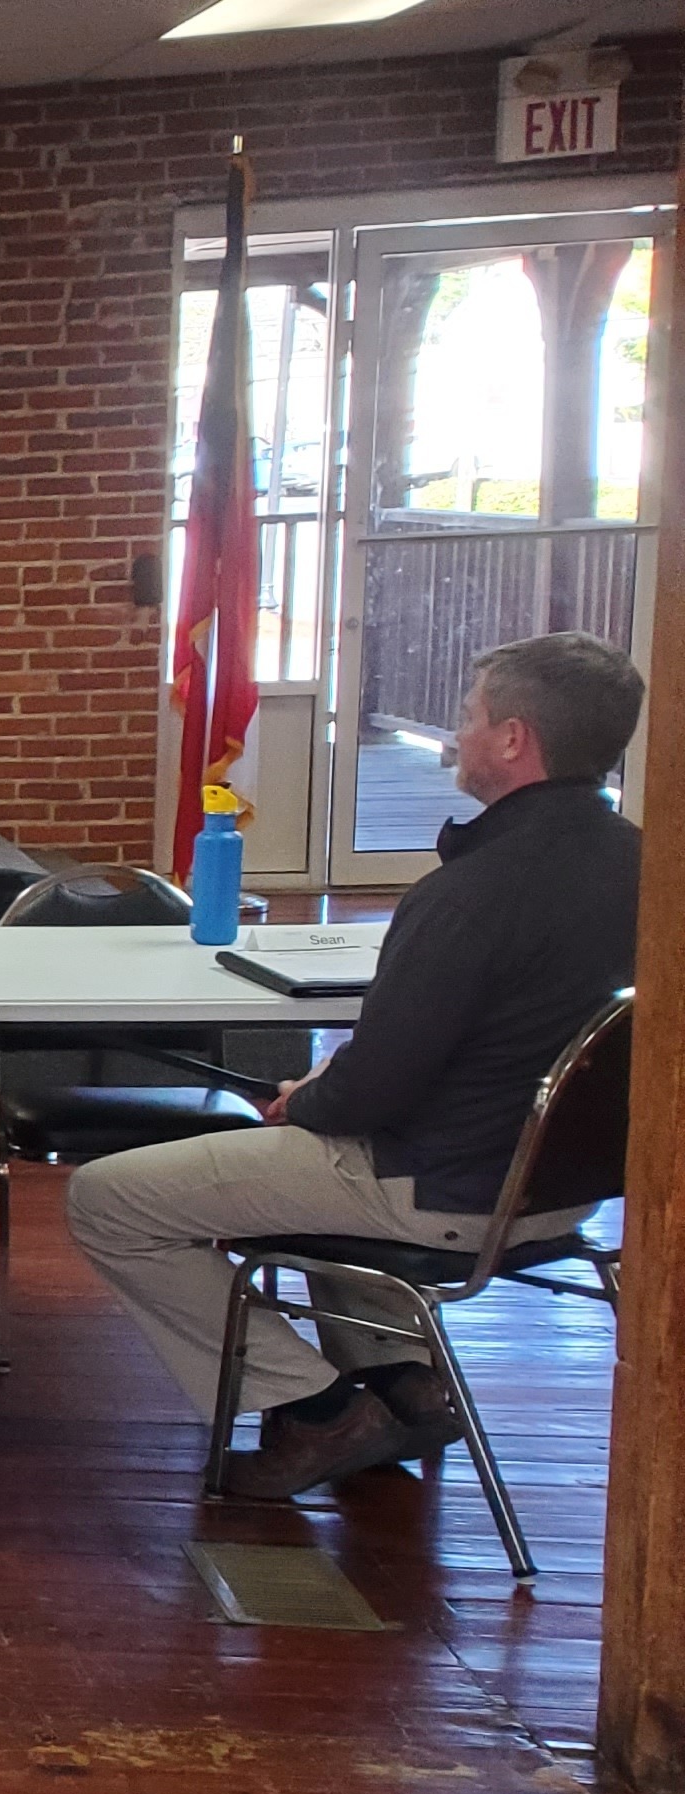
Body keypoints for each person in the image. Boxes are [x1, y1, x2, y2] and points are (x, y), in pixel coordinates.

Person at [68, 632, 642, 1499]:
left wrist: (306, 1101)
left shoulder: (471, 892)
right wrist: (326, 1101)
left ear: (516, 738)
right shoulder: (645, 866)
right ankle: (407, 1383)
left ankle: (314, 1409)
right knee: (278, 1171)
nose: (456, 736)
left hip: (438, 1186)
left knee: (106, 1200)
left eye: (469, 716)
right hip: (561, 1186)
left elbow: (376, 1087)